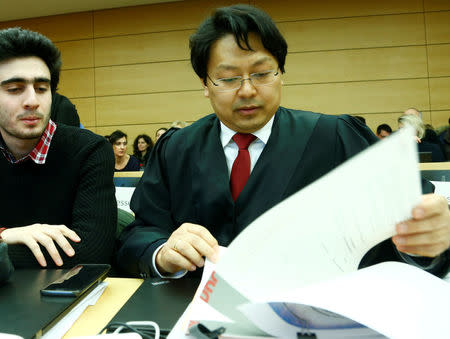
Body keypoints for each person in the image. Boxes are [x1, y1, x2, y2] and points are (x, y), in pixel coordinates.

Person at [116, 5, 450, 279]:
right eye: (229, 78)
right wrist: (164, 254)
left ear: (281, 73)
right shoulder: (176, 148)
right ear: (205, 83)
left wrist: (432, 234)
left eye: (262, 73)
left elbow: (415, 219)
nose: (247, 90)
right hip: (192, 316)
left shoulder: (335, 137)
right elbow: (139, 234)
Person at [0, 27, 116, 268]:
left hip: (64, 296)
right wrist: (4, 235)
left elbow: (90, 253)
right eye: (14, 89)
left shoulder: (90, 151)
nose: (32, 101)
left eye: (42, 88)